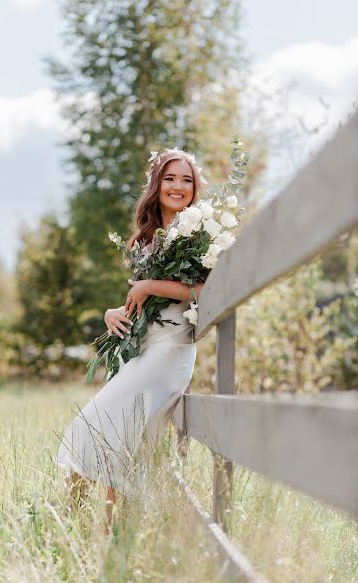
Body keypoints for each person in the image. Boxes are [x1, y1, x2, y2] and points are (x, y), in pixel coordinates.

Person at [54, 148, 205, 534]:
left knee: (93, 422)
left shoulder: (204, 232)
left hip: (172, 349)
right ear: (157, 185)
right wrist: (112, 313)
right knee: (116, 436)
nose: (178, 186)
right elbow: (136, 299)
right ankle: (97, 531)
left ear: (194, 188)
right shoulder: (146, 240)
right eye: (170, 178)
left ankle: (73, 527)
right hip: (143, 348)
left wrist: (151, 284)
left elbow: (205, 288)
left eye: (186, 179)